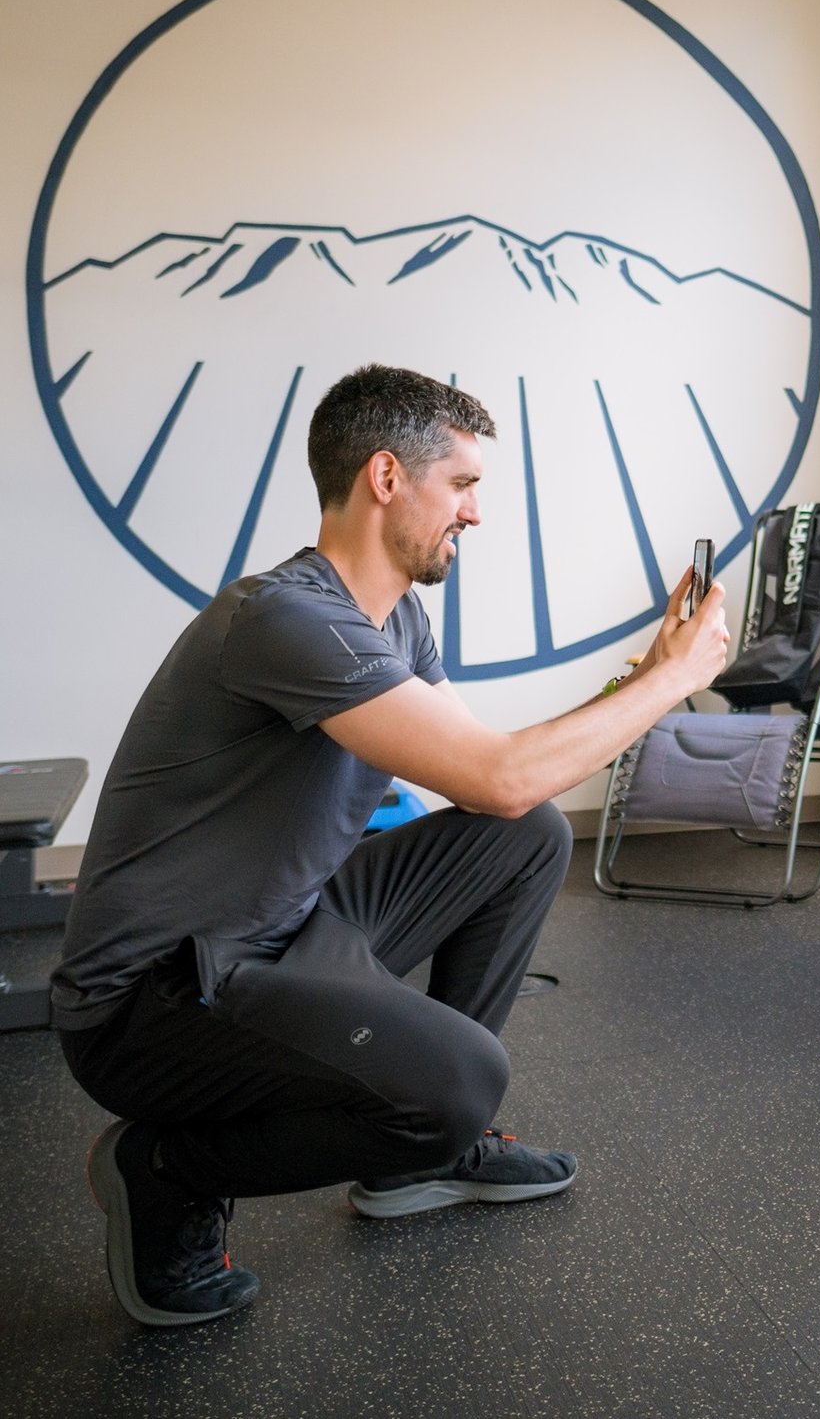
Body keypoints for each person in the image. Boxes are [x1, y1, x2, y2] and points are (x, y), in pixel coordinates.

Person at [52, 364, 732, 1326]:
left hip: (282, 926)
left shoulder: (394, 617)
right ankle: (162, 1168)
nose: (477, 513)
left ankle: (430, 1154)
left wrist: (650, 675)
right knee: (460, 1079)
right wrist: (670, 685)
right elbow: (502, 770)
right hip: (152, 1000)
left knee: (526, 835)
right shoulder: (285, 620)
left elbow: (492, 774)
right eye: (463, 484)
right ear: (385, 477)